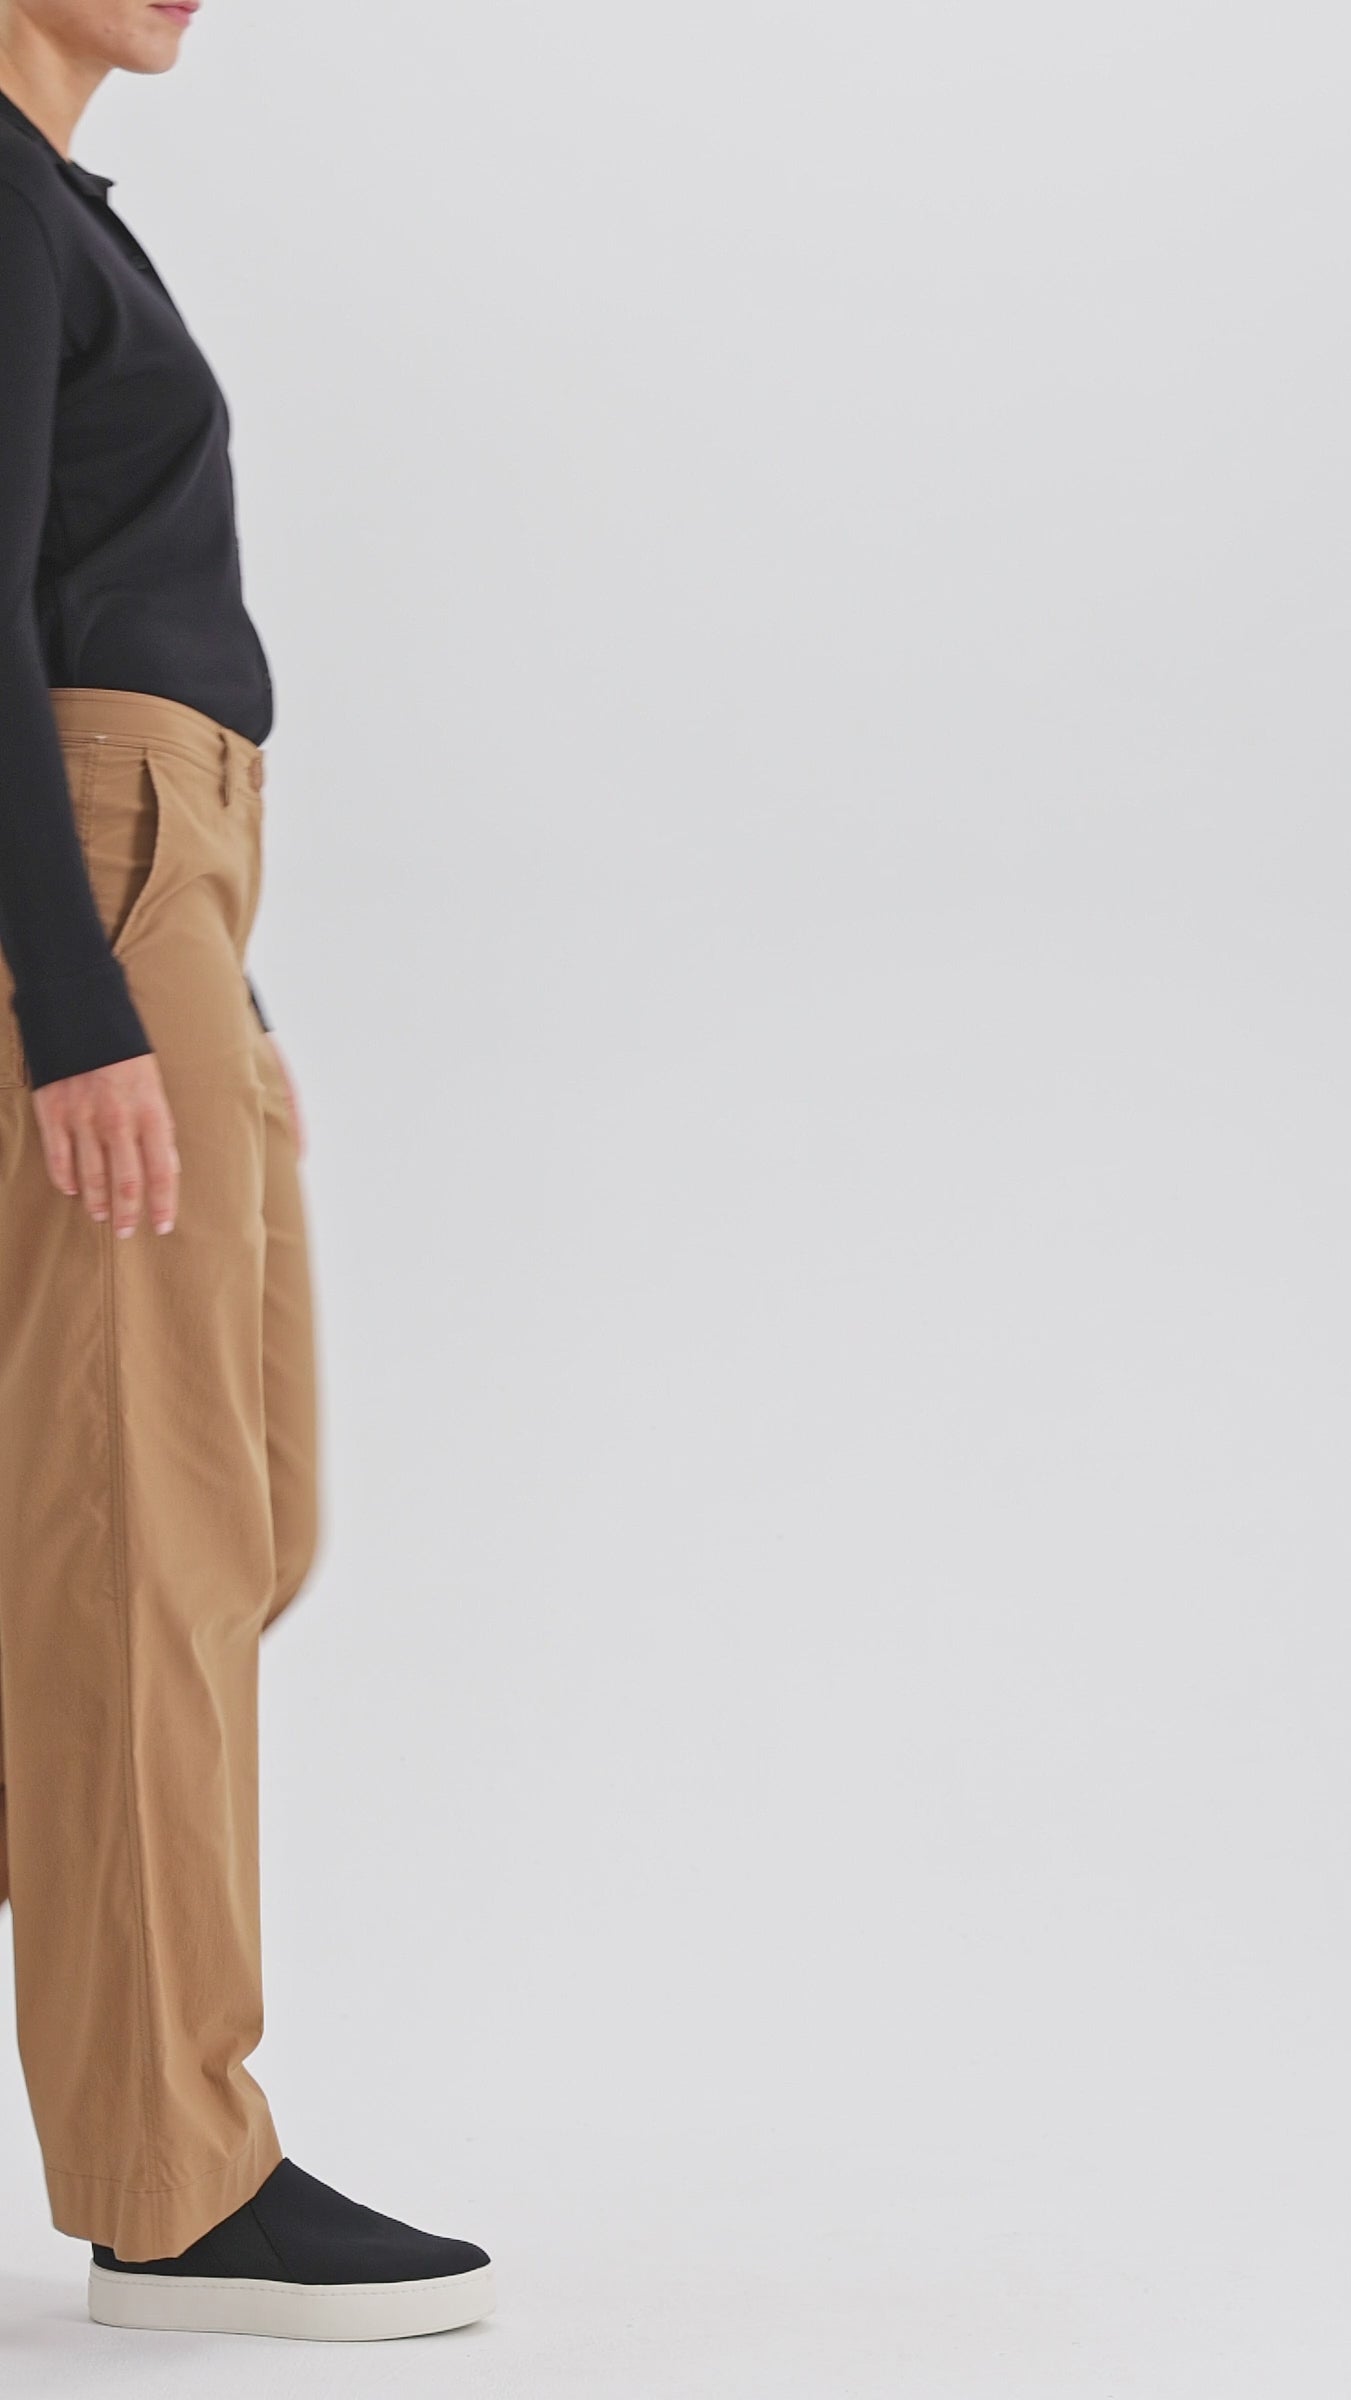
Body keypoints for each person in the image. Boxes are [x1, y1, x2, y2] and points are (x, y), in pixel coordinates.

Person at [0, 1, 494, 2343]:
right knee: (145, 1537)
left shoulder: (60, 211)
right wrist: (83, 997)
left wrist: (206, 978)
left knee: (235, 1508)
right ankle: (174, 2180)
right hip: (100, 872)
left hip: (169, 879)